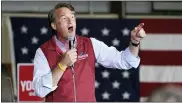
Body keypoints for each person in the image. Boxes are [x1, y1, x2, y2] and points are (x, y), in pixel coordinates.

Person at [33, 3, 146, 102]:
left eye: (72, 17)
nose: (70, 21)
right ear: (54, 25)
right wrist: (62, 65)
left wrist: (135, 42)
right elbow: (40, 90)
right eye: (64, 18)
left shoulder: (90, 44)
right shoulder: (43, 52)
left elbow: (125, 61)